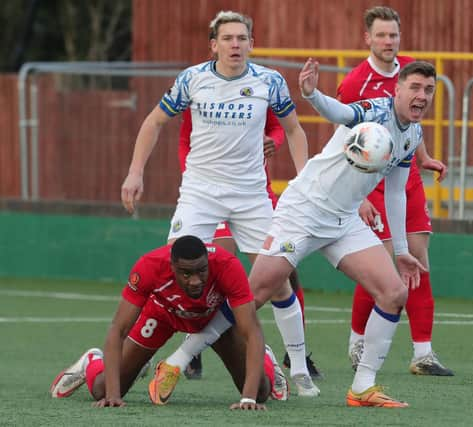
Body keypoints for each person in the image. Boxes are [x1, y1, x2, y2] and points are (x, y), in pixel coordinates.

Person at [120, 10, 319, 397]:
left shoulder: (269, 81)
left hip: (252, 197)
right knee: (173, 271)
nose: (235, 45)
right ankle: (149, 355)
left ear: (251, 43)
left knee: (278, 278)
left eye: (242, 38)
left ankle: (296, 368)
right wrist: (135, 172)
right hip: (200, 194)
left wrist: (305, 180)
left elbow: (293, 129)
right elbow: (153, 122)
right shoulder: (193, 79)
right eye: (227, 39)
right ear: (214, 45)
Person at [247, 59, 438, 407]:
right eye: (415, 87)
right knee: (254, 295)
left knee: (394, 292)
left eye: (428, 90)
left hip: (343, 219)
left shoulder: (412, 134)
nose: (422, 96)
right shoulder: (375, 111)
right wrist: (312, 94)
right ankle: (182, 356)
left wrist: (399, 251)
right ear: (397, 90)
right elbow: (341, 113)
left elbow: (396, 191)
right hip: (305, 209)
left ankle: (362, 388)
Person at [338, 6, 452, 376]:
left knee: (418, 257)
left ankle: (423, 353)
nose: (389, 42)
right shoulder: (356, 82)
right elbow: (345, 141)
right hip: (371, 183)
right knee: (382, 262)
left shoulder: (410, 73)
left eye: (394, 35)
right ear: (367, 38)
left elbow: (410, 126)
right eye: (382, 35)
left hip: (406, 179)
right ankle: (357, 340)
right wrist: (357, 199)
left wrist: (425, 157)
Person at [49, 235, 288, 409]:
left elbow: (252, 331)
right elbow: (118, 329)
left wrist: (246, 399)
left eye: (201, 271)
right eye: (186, 273)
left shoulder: (227, 265)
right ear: (171, 266)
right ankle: (92, 360)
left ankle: (265, 359)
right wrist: (112, 396)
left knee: (259, 393)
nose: (195, 280)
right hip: (162, 315)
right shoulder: (150, 266)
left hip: (212, 320)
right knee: (102, 389)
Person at [178, 108, 321, 380]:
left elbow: (279, 129)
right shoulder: (200, 93)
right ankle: (194, 344)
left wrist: (274, 141)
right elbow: (185, 141)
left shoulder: (257, 89)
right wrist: (194, 178)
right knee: (215, 267)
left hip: (256, 196)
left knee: (286, 271)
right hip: (211, 195)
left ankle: (296, 357)